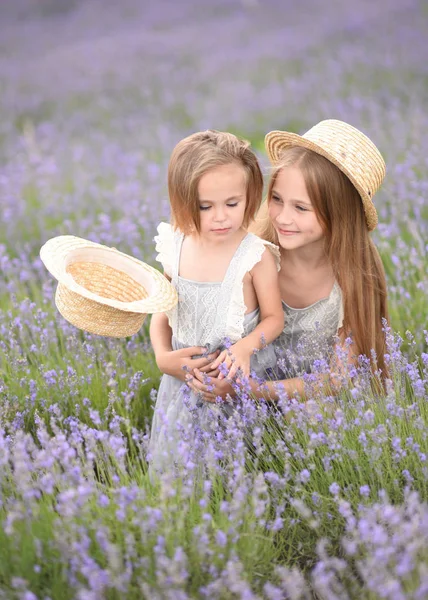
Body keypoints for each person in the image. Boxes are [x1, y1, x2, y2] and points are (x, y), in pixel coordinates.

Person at [188, 119, 389, 402]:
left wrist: (250, 392)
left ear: (340, 213)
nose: (283, 217)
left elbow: (337, 379)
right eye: (277, 199)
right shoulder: (255, 252)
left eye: (301, 208)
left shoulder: (355, 277)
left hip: (312, 408)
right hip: (241, 395)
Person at [149, 130, 284, 473]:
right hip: (181, 385)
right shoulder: (176, 246)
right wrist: (163, 357)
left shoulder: (254, 257)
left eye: (232, 204)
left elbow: (274, 319)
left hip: (234, 385)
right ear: (182, 201)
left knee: (235, 475)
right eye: (205, 207)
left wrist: (245, 348)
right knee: (178, 476)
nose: (221, 217)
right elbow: (162, 310)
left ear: (250, 195)